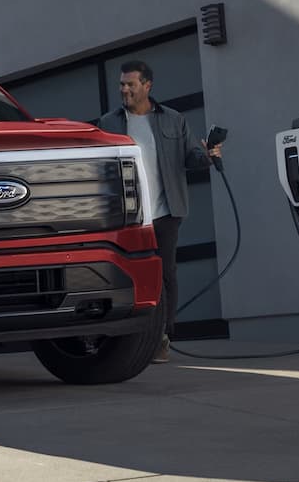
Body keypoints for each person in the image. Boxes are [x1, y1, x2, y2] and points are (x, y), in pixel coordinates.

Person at [93, 60, 221, 364]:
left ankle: (163, 337)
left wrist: (209, 155)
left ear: (147, 86)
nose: (124, 89)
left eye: (130, 84)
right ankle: (125, 337)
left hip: (164, 213)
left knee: (166, 276)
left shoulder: (173, 120)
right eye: (121, 84)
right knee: (123, 275)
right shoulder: (108, 123)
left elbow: (191, 157)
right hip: (127, 219)